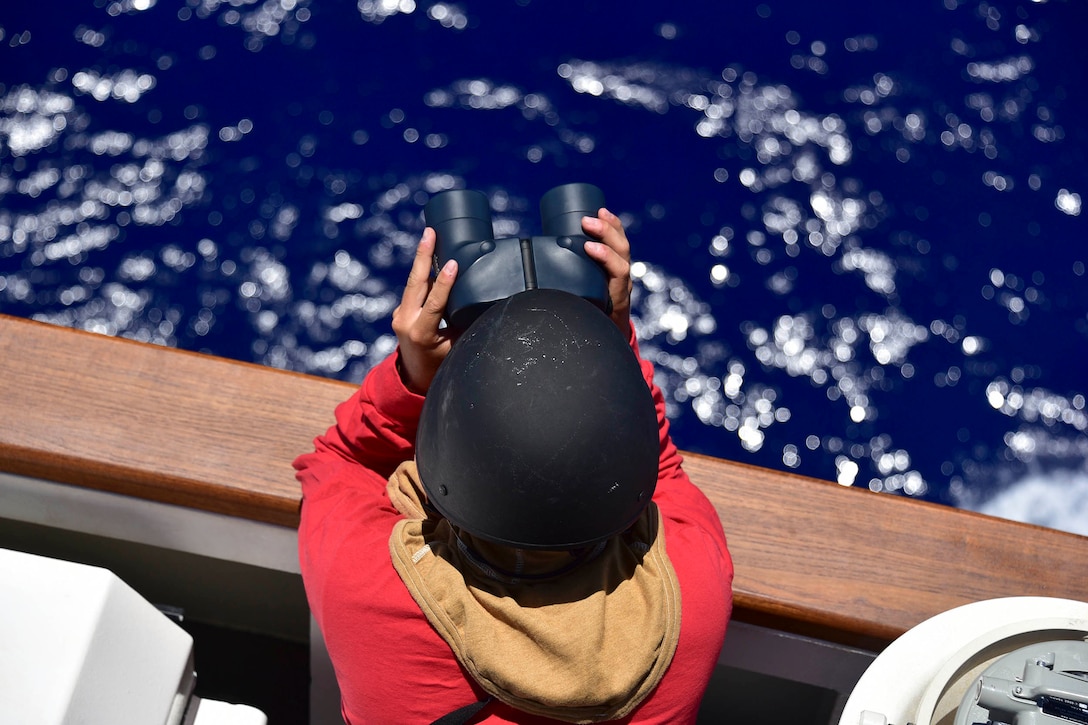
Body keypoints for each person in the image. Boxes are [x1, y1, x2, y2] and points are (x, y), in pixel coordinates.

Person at [294, 206, 734, 724]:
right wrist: (609, 336)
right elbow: (660, 466)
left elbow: (338, 460)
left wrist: (414, 374)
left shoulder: (364, 592)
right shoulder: (693, 594)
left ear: (449, 468)